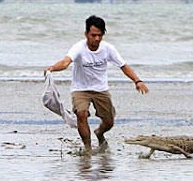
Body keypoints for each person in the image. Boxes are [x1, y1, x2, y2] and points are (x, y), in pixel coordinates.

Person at [45, 15, 148, 154]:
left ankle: (99, 133)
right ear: (86, 34)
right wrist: (52, 68)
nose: (97, 39)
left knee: (109, 122)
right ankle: (88, 149)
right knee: (82, 114)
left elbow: (123, 66)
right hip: (80, 89)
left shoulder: (108, 48)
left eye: (100, 35)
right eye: (93, 35)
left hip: (101, 90)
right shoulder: (78, 48)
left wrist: (138, 81)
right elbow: (65, 62)